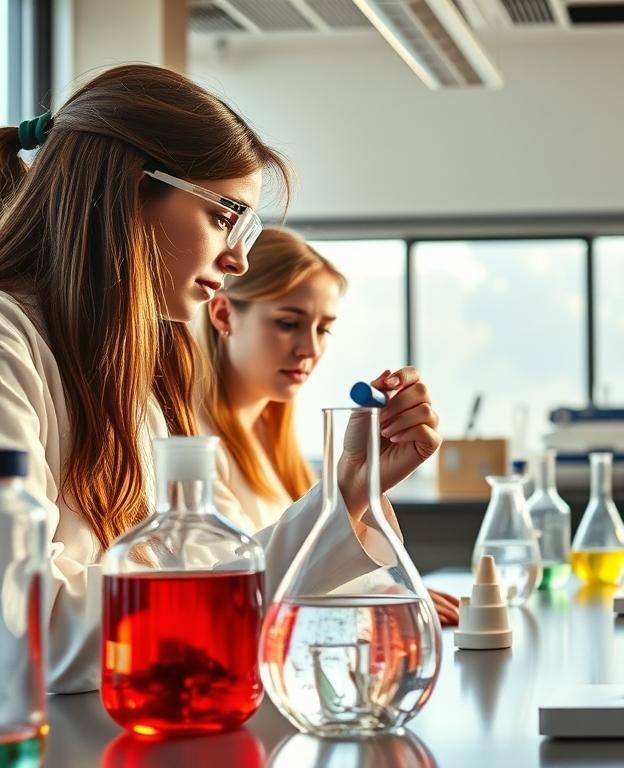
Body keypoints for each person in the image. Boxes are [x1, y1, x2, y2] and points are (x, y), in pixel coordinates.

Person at [0, 64, 443, 692]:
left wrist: (350, 489)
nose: (238, 259)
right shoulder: (8, 347)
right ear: (128, 189)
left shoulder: (133, 374)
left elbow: (202, 574)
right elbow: (28, 631)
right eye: (224, 217)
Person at [195, 227, 458, 624]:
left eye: (323, 328)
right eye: (288, 323)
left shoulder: (274, 446)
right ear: (223, 314)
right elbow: (222, 598)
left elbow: (307, 567)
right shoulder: (189, 443)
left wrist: (384, 592)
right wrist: (370, 606)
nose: (310, 349)